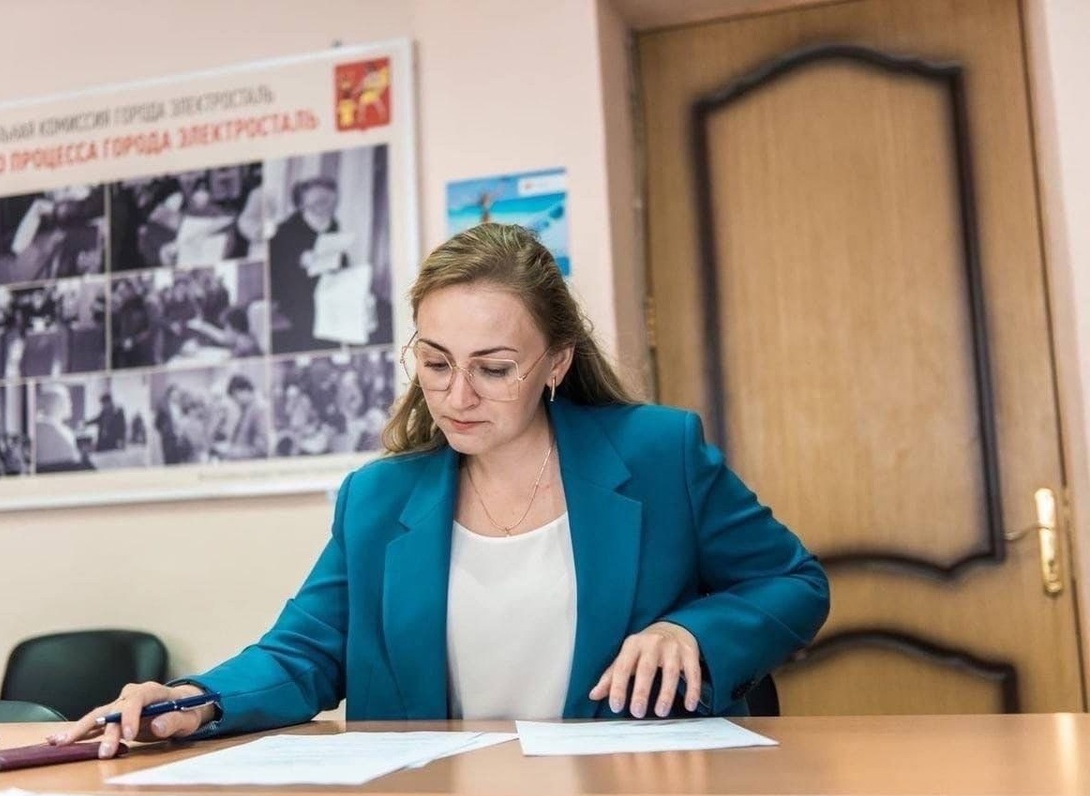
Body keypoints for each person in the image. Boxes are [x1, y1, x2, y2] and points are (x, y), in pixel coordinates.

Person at [53, 222, 829, 757]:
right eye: (435, 362)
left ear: (556, 363)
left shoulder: (658, 453)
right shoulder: (378, 498)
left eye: (494, 368)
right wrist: (194, 698)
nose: (457, 396)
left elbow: (793, 583)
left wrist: (692, 632)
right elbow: (304, 650)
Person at [268, 176, 344, 353]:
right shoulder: (284, 231)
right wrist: (298, 262)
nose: (327, 207)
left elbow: (339, 258)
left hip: (327, 290)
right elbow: (275, 276)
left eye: (331, 202)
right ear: (302, 205)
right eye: (320, 202)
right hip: (297, 295)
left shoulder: (333, 225)